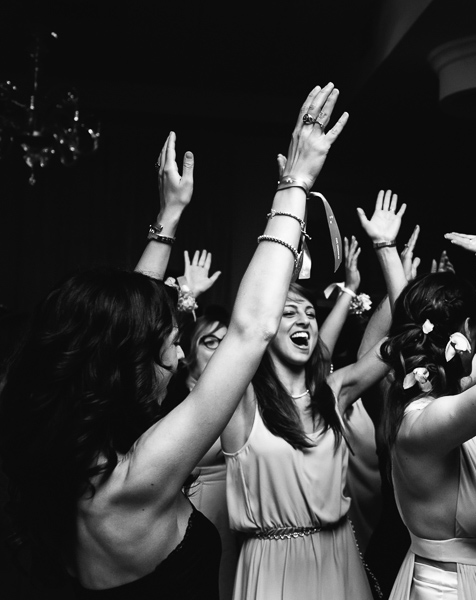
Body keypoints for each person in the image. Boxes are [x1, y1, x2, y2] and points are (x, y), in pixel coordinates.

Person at [0, 83, 347, 598]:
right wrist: (295, 182)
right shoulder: (136, 480)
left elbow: (122, 322)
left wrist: (168, 220)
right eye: (171, 344)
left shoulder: (62, 462)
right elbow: (252, 329)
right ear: (129, 364)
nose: (182, 352)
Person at [221, 189, 409, 599]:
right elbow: (248, 318)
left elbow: (404, 337)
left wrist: (385, 248)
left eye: (309, 313)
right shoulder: (241, 400)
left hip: (338, 556)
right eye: (288, 312)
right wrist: (287, 204)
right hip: (270, 568)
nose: (303, 319)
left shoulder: (334, 392)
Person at [380, 216, 476, 600]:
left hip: (464, 579)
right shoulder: (428, 420)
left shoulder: (437, 398)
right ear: (467, 330)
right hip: (445, 590)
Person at [161, 305, 238, 600]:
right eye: (211, 342)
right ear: (189, 351)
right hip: (197, 505)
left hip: (237, 506)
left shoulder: (241, 396)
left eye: (226, 342)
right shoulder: (170, 401)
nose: (221, 350)